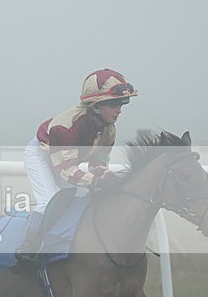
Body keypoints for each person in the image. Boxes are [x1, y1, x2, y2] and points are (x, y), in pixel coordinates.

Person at [18, 68, 138, 257]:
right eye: (114, 104)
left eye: (122, 103)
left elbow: (97, 164)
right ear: (95, 105)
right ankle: (28, 247)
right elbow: (68, 171)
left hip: (65, 160)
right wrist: (98, 182)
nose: (119, 110)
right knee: (49, 200)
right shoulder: (65, 128)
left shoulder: (109, 130)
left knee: (83, 199)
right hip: (40, 155)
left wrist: (110, 178)